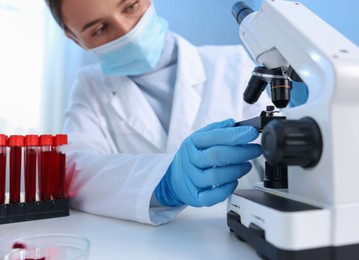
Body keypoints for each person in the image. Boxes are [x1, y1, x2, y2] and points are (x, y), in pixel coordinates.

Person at [45, 0, 271, 225]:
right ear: (75, 39)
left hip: (231, 233)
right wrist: (164, 182)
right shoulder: (90, 87)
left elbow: (281, 152)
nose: (127, 32)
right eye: (99, 30)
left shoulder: (232, 64)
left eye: (130, 7)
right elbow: (74, 171)